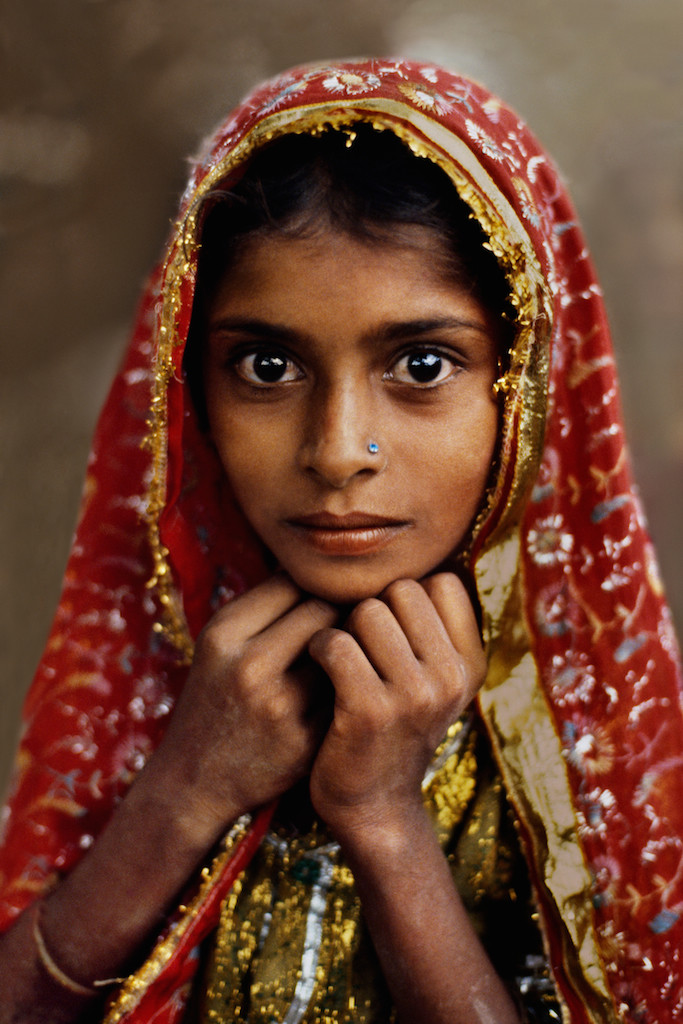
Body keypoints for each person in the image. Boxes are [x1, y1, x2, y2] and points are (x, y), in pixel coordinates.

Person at [0, 58, 681, 1024]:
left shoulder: (611, 774)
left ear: (526, 386)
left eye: (421, 363)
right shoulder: (138, 697)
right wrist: (181, 794)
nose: (335, 452)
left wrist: (385, 820)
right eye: (267, 366)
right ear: (188, 390)